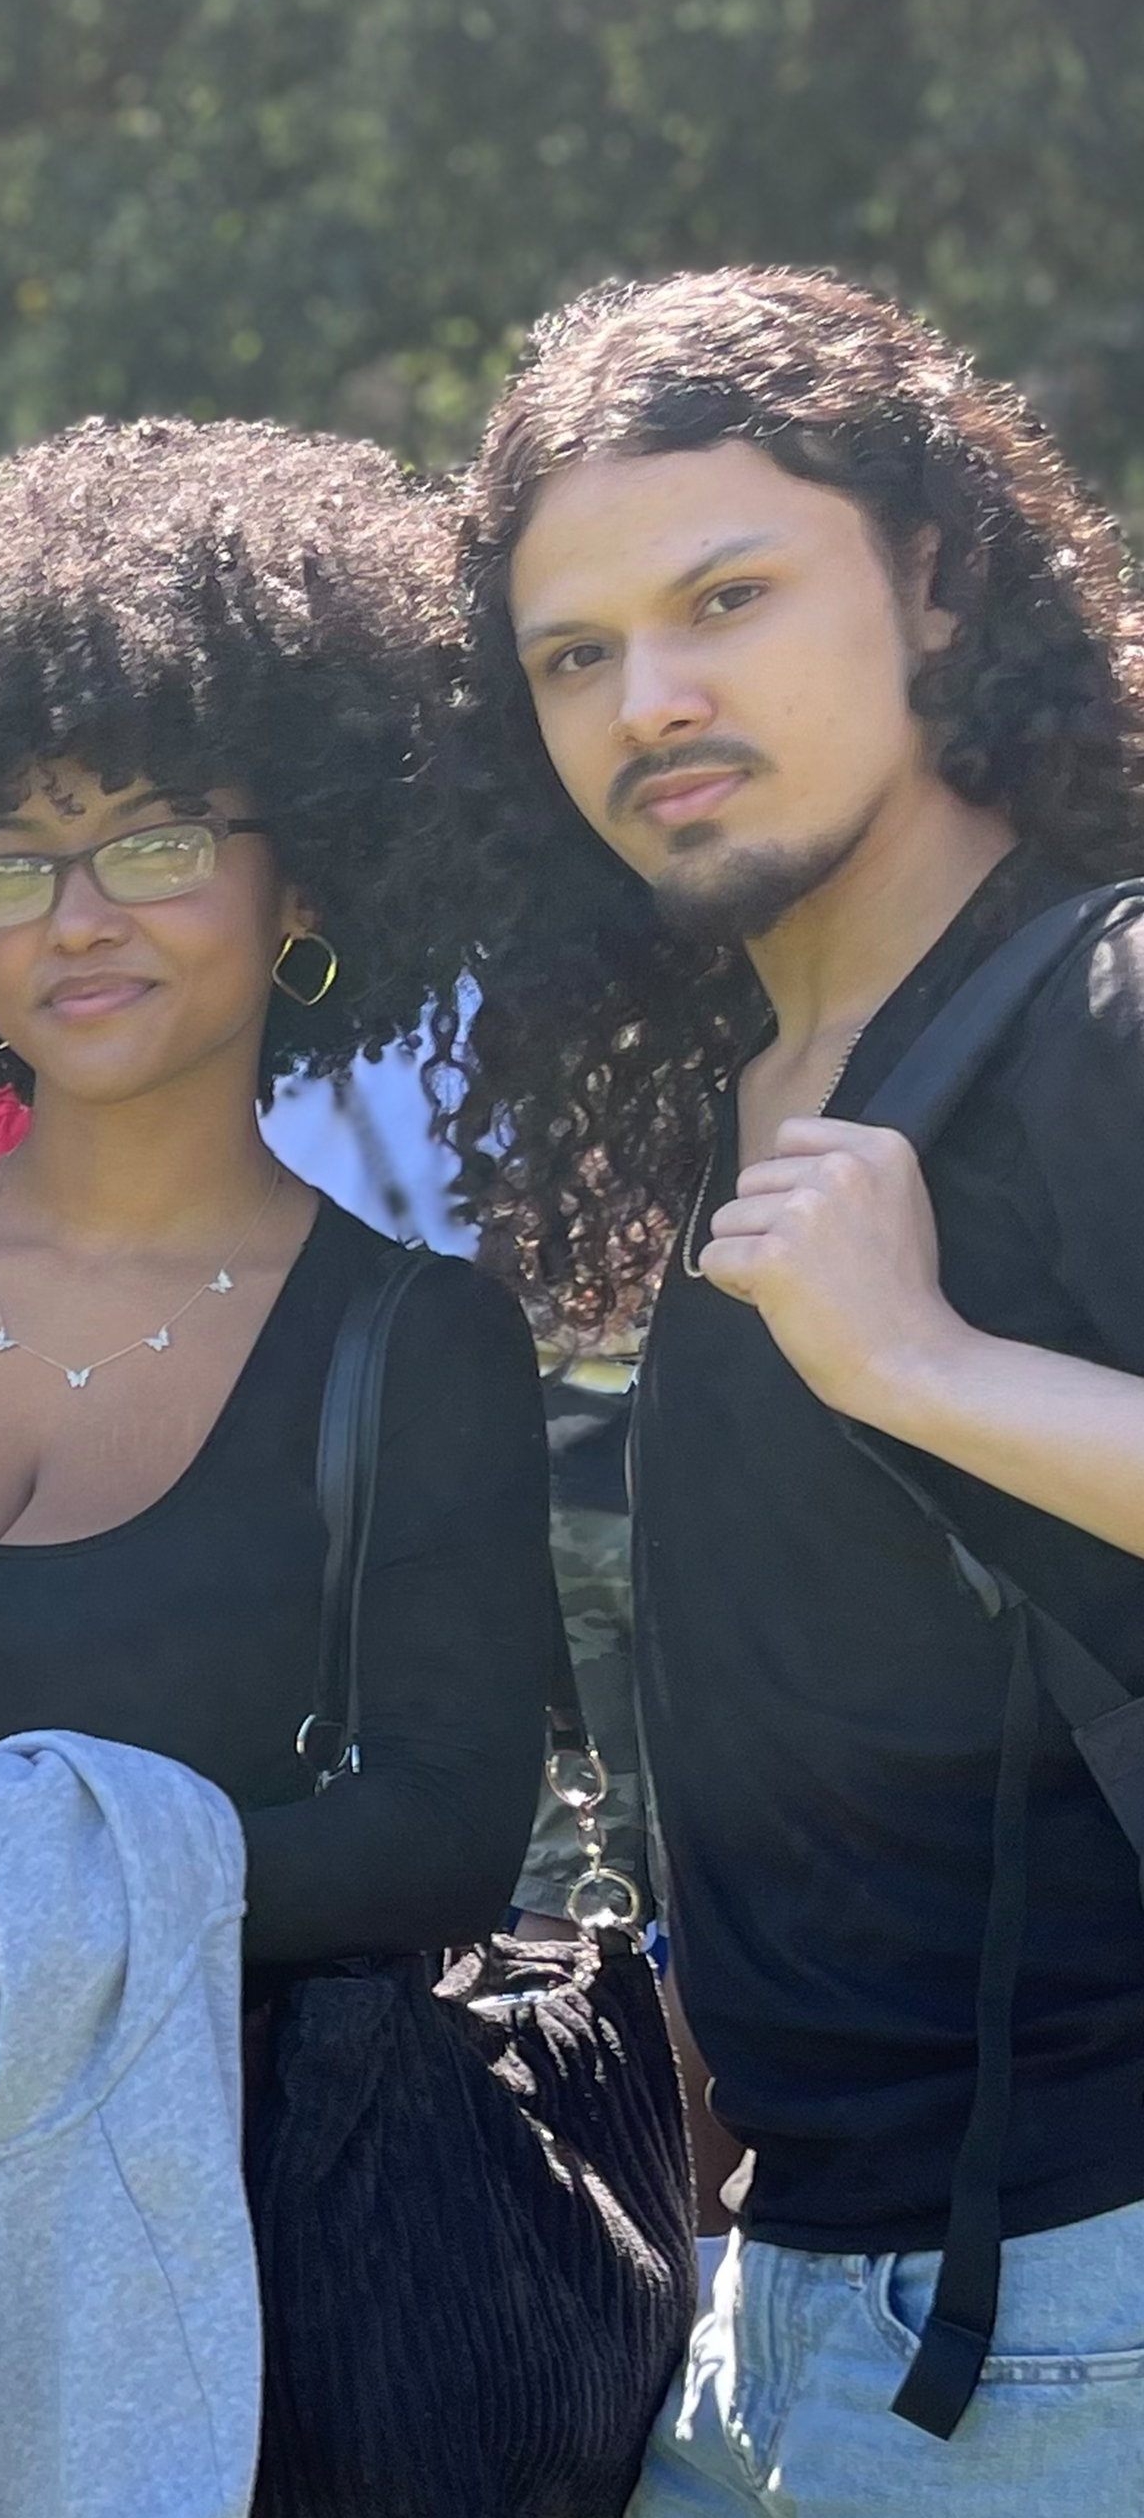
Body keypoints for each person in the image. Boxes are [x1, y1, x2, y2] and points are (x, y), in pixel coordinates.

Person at [0, 417, 557, 2503]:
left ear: (302, 873)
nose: (79, 915)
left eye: (153, 839)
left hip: (253, 2252)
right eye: (13, 856)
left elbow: (446, 1825)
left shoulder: (417, 1342)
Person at [443, 269, 1144, 2508]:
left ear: (935, 578)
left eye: (727, 595)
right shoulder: (740, 1086)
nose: (655, 697)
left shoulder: (1101, 1008)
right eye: (577, 653)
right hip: (799, 2286)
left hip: (1068, 2298)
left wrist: (932, 1366)